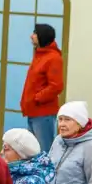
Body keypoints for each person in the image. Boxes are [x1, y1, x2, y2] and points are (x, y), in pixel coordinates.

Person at [20, 23, 65, 152]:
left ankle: (47, 173)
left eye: (35, 33)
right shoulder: (40, 55)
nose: (31, 36)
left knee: (44, 151)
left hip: (43, 112)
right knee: (32, 151)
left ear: (42, 37)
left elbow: (56, 86)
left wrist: (37, 98)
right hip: (33, 111)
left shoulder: (53, 58)